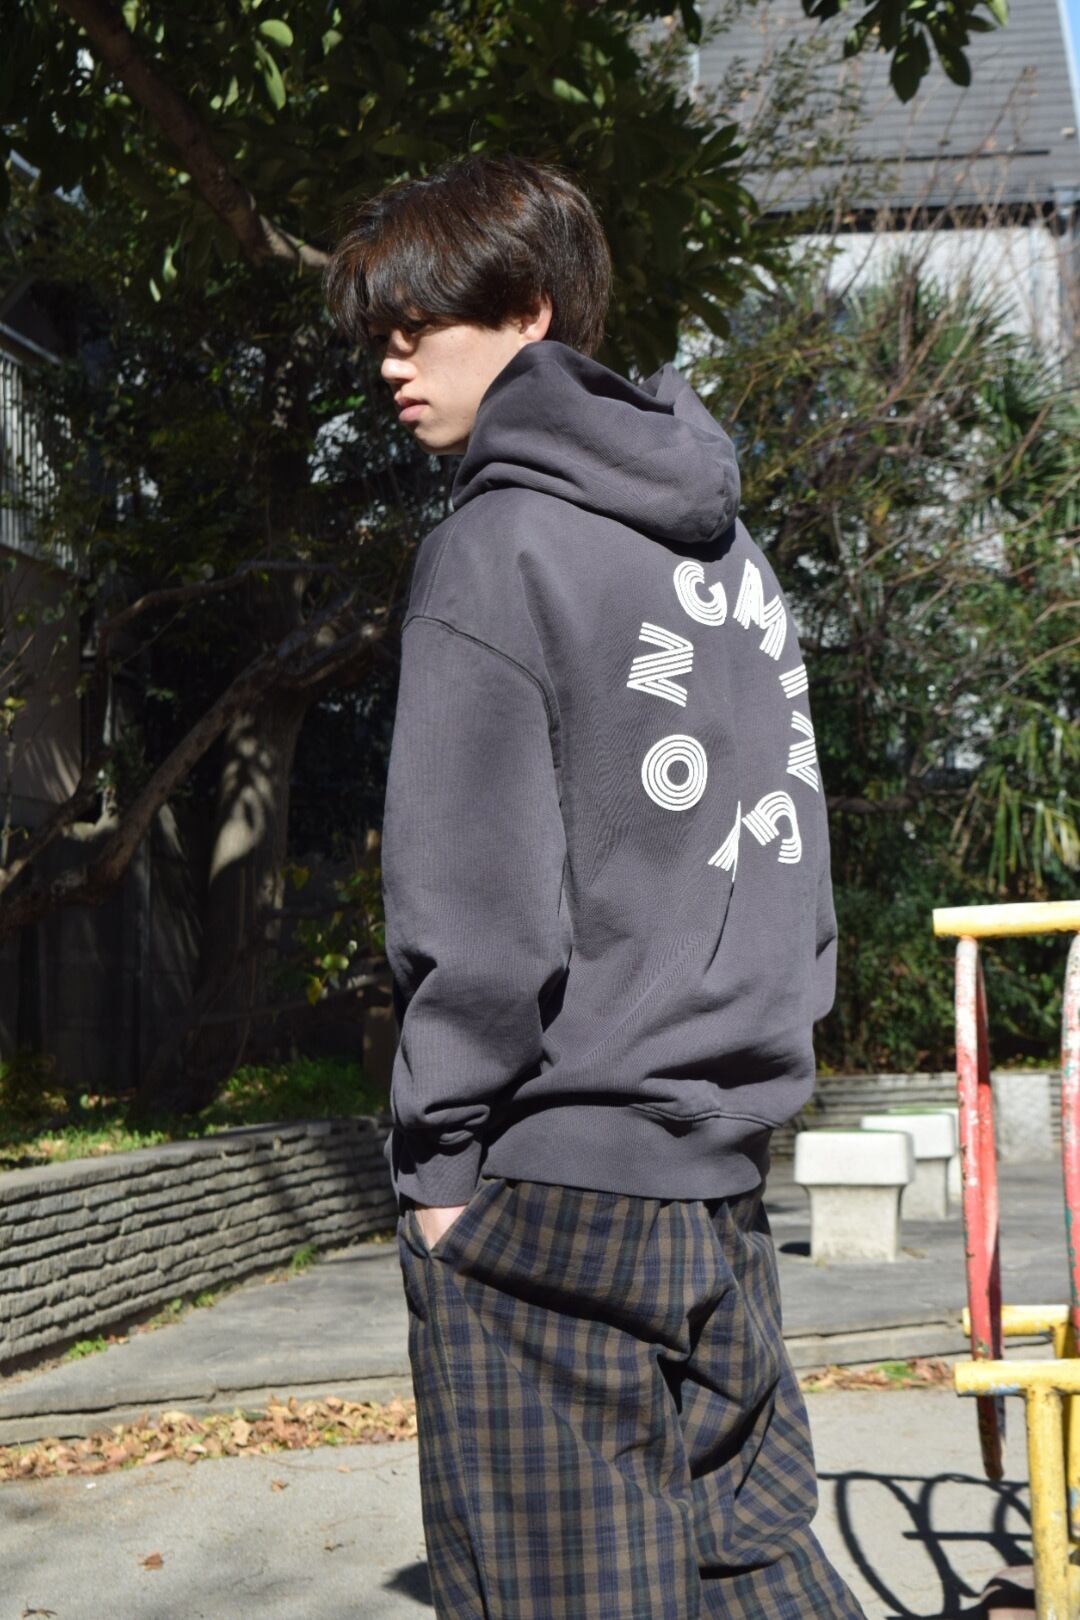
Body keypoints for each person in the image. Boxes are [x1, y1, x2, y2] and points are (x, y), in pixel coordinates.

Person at [324, 152, 866, 1620]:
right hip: (721, 1180)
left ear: (532, 313)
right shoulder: (730, 555)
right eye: (380, 333)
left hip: (550, 1181)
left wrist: (443, 1171)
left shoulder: (493, 547)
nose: (392, 362)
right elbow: (790, 843)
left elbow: (474, 901)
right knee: (752, 1571)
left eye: (421, 323)